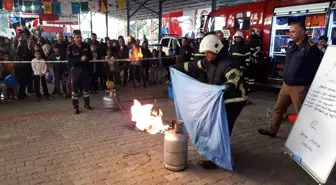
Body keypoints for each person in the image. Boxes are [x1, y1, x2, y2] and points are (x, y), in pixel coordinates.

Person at [174, 34, 247, 169]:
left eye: (208, 53)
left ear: (216, 50)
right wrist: (176, 67)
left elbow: (234, 77)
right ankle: (219, 150)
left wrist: (227, 85)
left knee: (222, 126)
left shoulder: (228, 63)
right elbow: (193, 65)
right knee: (215, 124)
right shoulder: (210, 61)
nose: (206, 55)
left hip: (234, 100)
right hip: (221, 98)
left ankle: (217, 159)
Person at [258, 21, 322, 138]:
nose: (290, 34)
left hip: (300, 87)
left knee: (301, 113)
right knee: (278, 109)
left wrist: (306, 83)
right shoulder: (291, 45)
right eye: (290, 31)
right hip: (286, 84)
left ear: (302, 32)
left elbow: (315, 69)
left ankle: (305, 138)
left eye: (293, 31)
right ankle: (272, 130)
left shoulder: (310, 48)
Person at [67, 30, 93, 114]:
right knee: (75, 90)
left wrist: (87, 57)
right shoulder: (70, 47)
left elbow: (90, 56)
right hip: (75, 70)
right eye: (77, 37)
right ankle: (75, 107)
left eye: (80, 37)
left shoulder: (86, 45)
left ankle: (87, 104)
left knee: (86, 88)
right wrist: (80, 59)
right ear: (74, 38)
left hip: (85, 69)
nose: (79, 39)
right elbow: (69, 60)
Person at [229, 31, 253, 105]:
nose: (237, 39)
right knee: (234, 82)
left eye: (239, 38)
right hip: (233, 67)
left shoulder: (246, 47)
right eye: (236, 38)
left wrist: (245, 67)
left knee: (243, 83)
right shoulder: (232, 47)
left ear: (242, 38)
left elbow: (248, 58)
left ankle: (244, 97)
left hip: (242, 67)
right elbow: (229, 57)